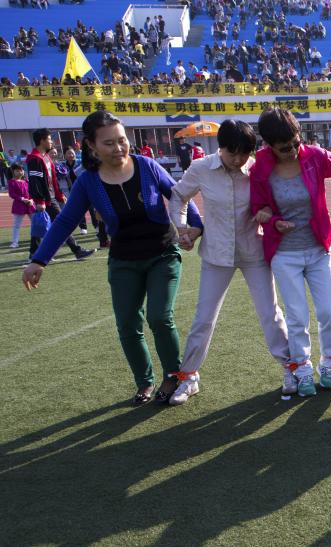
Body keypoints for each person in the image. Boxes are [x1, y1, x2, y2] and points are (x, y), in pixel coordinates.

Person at [22, 111, 204, 405]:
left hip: (162, 254)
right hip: (123, 261)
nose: (119, 148)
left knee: (159, 316)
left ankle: (175, 376)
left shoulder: (146, 165)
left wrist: (195, 227)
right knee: (127, 324)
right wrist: (39, 260)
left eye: (122, 140)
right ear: (91, 146)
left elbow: (178, 194)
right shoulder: (88, 181)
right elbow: (66, 221)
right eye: (109, 143)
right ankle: (144, 382)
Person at [165, 120, 291, 405]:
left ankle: (291, 367)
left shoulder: (257, 169)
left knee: (270, 313)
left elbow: (273, 201)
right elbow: (178, 196)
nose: (238, 160)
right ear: (220, 147)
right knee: (204, 318)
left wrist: (268, 211)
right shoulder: (201, 168)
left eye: (244, 153)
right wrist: (182, 227)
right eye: (232, 153)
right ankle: (189, 376)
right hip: (216, 254)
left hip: (253, 252)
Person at [249, 107, 331, 397]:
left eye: (296, 142)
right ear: (268, 145)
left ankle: (330, 363)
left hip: (318, 249)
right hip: (284, 253)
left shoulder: (314, 156)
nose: (293, 150)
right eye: (284, 148)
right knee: (297, 316)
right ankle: (302, 368)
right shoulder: (260, 168)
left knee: (330, 312)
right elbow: (258, 207)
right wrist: (272, 219)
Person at [26, 128, 94, 261]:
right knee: (61, 223)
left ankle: (34, 254)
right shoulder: (35, 159)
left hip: (51, 197)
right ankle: (77, 250)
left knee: (45, 225)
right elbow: (35, 182)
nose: (51, 141)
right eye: (49, 139)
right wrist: (40, 201)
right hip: (46, 199)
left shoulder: (46, 157)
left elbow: (52, 180)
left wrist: (58, 194)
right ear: (42, 141)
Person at [63, 146, 108, 246]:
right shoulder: (67, 166)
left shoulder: (83, 163)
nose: (71, 155)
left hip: (92, 190)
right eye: (68, 153)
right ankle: (87, 229)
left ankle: (100, 232)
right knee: (82, 210)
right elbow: (74, 174)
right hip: (79, 190)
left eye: (72, 153)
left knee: (96, 211)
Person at [8, 163, 32, 249]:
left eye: (21, 170)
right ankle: (15, 242)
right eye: (17, 171)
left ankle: (36, 239)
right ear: (13, 172)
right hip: (19, 205)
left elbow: (31, 192)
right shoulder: (11, 182)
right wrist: (22, 199)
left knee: (35, 223)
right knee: (16, 225)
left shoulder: (26, 181)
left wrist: (31, 200)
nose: (20, 172)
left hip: (30, 205)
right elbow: (12, 194)